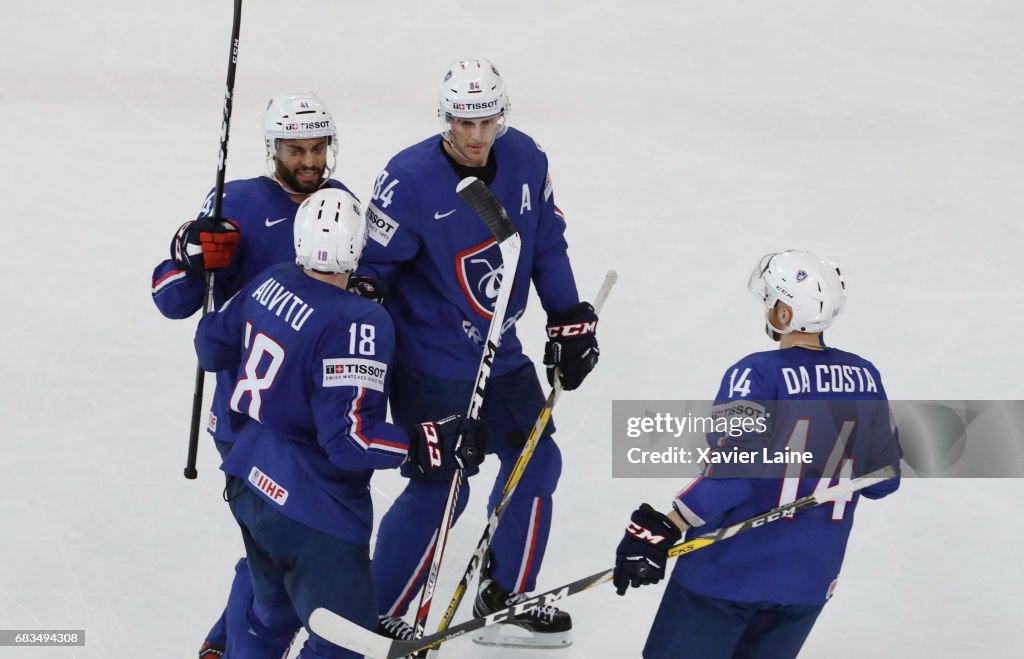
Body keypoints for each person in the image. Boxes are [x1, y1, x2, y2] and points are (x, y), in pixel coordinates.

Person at [359, 58, 599, 648]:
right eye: (463, 122)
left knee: (536, 462)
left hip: (504, 355)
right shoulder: (408, 178)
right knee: (445, 483)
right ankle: (376, 612)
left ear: (501, 118)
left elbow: (546, 245)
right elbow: (371, 276)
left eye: (486, 121)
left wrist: (568, 318)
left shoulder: (527, 159)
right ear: (445, 119)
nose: (475, 135)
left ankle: (507, 595)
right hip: (431, 363)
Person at [194, 188, 488, 658]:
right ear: (357, 246)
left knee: (270, 614)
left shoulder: (272, 280)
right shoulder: (360, 322)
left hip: (250, 479)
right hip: (314, 508)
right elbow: (349, 440)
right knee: (342, 649)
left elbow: (210, 346)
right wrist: (427, 442)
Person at [150, 93, 363, 658]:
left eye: (319, 148)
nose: (311, 161)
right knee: (278, 540)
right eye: (297, 149)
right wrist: (193, 257)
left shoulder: (341, 203)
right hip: (243, 415)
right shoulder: (235, 201)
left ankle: (225, 641)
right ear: (273, 149)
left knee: (274, 543)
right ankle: (238, 640)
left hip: (306, 417)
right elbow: (172, 300)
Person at [613, 250, 903, 659]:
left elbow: (735, 473)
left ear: (785, 314)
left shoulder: (755, 373)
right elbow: (885, 479)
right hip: (809, 580)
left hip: (725, 573)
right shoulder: (864, 375)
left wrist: (666, 525)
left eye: (771, 301)